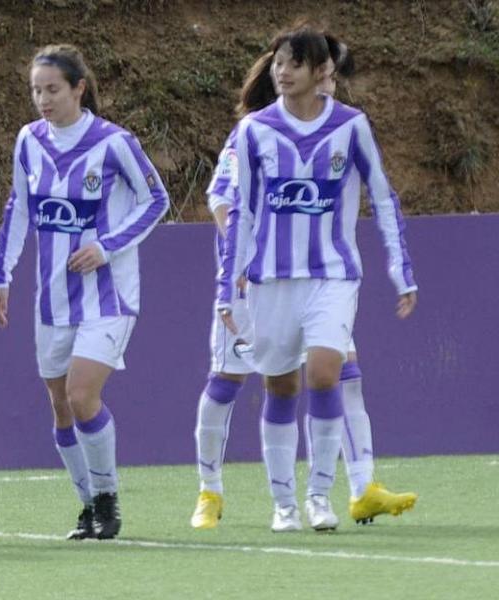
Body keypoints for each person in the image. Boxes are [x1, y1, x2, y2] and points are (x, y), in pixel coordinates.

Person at [191, 35, 417, 530]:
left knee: (331, 374)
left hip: (331, 275)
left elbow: (382, 196)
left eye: (312, 68)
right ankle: (224, 491)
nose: (288, 73)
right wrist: (234, 277)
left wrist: (401, 271)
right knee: (252, 383)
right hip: (262, 280)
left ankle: (342, 491)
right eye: (282, 65)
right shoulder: (251, 132)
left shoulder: (350, 126)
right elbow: (231, 205)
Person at [0, 45, 170, 541]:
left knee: (81, 392)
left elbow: (157, 199)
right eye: (36, 91)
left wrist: (106, 246)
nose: (43, 100)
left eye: (52, 89)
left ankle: (107, 498)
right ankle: (87, 504)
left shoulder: (114, 143)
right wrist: (0, 274)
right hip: (51, 298)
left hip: (107, 295)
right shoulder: (29, 140)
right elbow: (19, 209)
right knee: (61, 405)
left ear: (78, 88)